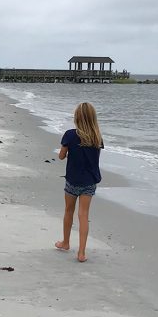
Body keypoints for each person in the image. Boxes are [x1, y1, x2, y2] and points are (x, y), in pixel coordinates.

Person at [55, 102, 103, 262]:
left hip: (73, 180)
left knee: (69, 211)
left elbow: (61, 156)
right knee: (83, 215)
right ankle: (81, 252)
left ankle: (66, 242)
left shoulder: (70, 135)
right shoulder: (97, 137)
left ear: (77, 117)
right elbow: (94, 159)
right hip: (89, 181)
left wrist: (69, 153)